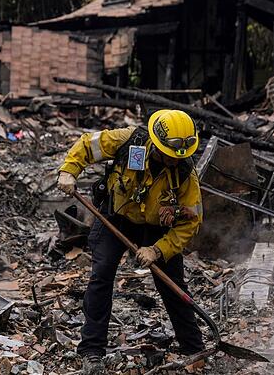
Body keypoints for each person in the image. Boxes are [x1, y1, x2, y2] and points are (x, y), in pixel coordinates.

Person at [57, 109, 205, 374]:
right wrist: (69, 171)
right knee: (101, 275)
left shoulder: (185, 174)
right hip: (117, 216)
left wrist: (158, 250)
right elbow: (89, 145)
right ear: (157, 143)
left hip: (157, 229)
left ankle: (194, 348)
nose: (174, 161)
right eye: (169, 155)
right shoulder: (130, 142)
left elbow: (191, 222)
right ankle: (91, 350)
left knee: (172, 284)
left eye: (179, 157)